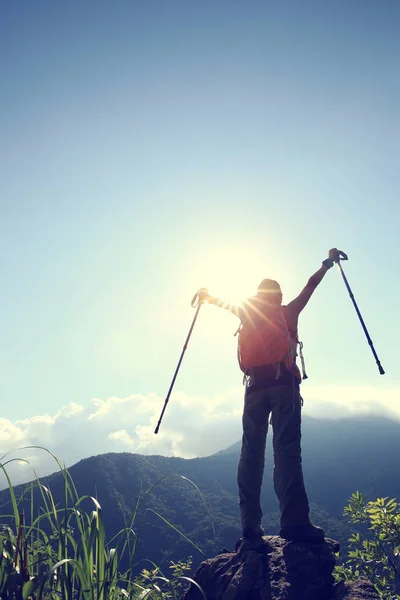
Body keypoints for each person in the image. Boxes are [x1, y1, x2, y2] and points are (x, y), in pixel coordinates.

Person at [199, 248, 341, 544]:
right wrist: (327, 263)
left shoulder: (246, 311)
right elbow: (310, 286)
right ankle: (294, 523)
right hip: (283, 386)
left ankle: (250, 526)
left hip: (253, 388)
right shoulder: (287, 312)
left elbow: (224, 303)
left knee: (250, 455)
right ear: (277, 296)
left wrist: (207, 296)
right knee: (286, 452)